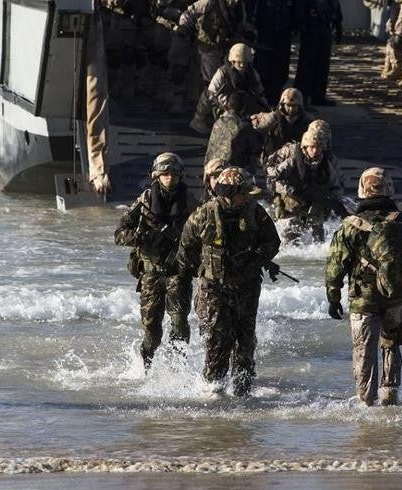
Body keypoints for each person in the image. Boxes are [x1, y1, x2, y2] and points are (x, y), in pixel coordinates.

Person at [325, 168, 402, 406]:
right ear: (389, 189)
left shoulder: (351, 225)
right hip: (396, 296)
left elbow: (335, 265)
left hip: (362, 298)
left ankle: (366, 403)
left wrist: (332, 297)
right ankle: (390, 396)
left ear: (362, 190)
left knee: (364, 350)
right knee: (391, 345)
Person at [177, 166, 281, 396]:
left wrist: (255, 256)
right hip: (213, 287)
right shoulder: (204, 214)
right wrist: (195, 276)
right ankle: (213, 391)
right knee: (218, 340)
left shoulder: (256, 212)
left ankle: (243, 392)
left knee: (245, 343)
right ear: (230, 192)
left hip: (247, 286)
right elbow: (186, 249)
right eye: (243, 192)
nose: (247, 197)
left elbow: (273, 242)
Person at [114, 153, 197, 368]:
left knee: (179, 324)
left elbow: (202, 234)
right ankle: (146, 369)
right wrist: (143, 237)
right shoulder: (146, 200)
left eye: (174, 174)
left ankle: (178, 367)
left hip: (177, 272)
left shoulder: (189, 202)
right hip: (151, 272)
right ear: (156, 176)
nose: (170, 178)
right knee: (151, 331)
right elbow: (120, 234)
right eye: (165, 174)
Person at [247, 0, 305, 104]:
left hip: (284, 26)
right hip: (265, 24)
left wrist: (297, 23)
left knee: (281, 63)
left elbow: (298, 0)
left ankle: (275, 95)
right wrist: (249, 20)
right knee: (262, 61)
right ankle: (259, 95)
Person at [158, 0, 215, 114]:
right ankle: (173, 99)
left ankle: (192, 101)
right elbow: (160, 7)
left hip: (198, 32)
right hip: (180, 31)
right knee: (178, 68)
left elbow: (212, 4)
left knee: (197, 69)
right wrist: (179, 15)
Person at [270, 129, 345, 243]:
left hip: (314, 207)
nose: (315, 150)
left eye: (318, 147)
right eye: (312, 147)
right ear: (305, 147)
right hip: (293, 205)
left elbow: (336, 187)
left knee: (318, 238)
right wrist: (290, 190)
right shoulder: (292, 162)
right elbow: (275, 178)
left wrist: (332, 202)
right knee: (290, 236)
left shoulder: (325, 165)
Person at [100, 0, 149, 98]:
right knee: (114, 57)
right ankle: (113, 89)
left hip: (134, 21)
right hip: (116, 19)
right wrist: (115, 0)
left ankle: (130, 90)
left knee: (132, 56)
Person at [295, 0, 343, 106]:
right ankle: (302, 96)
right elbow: (300, 6)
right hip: (311, 26)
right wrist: (302, 25)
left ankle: (319, 96)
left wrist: (338, 25)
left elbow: (336, 4)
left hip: (325, 27)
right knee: (307, 64)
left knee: (323, 64)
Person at [192, 43, 267, 135]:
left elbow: (259, 91)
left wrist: (264, 106)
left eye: (244, 62)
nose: (242, 66)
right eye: (239, 62)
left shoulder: (252, 73)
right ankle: (200, 121)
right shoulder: (223, 72)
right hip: (225, 103)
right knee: (206, 96)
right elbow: (211, 92)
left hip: (244, 103)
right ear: (232, 61)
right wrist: (225, 104)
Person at [205, 92, 264, 172]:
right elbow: (255, 149)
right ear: (243, 107)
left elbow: (210, 148)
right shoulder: (244, 126)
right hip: (234, 171)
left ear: (228, 105)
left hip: (215, 166)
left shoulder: (219, 122)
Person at [251, 87, 312, 161]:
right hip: (274, 157)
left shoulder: (307, 120)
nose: (291, 109)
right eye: (288, 105)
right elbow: (254, 128)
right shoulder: (273, 117)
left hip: (298, 158)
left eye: (294, 105)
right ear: (282, 104)